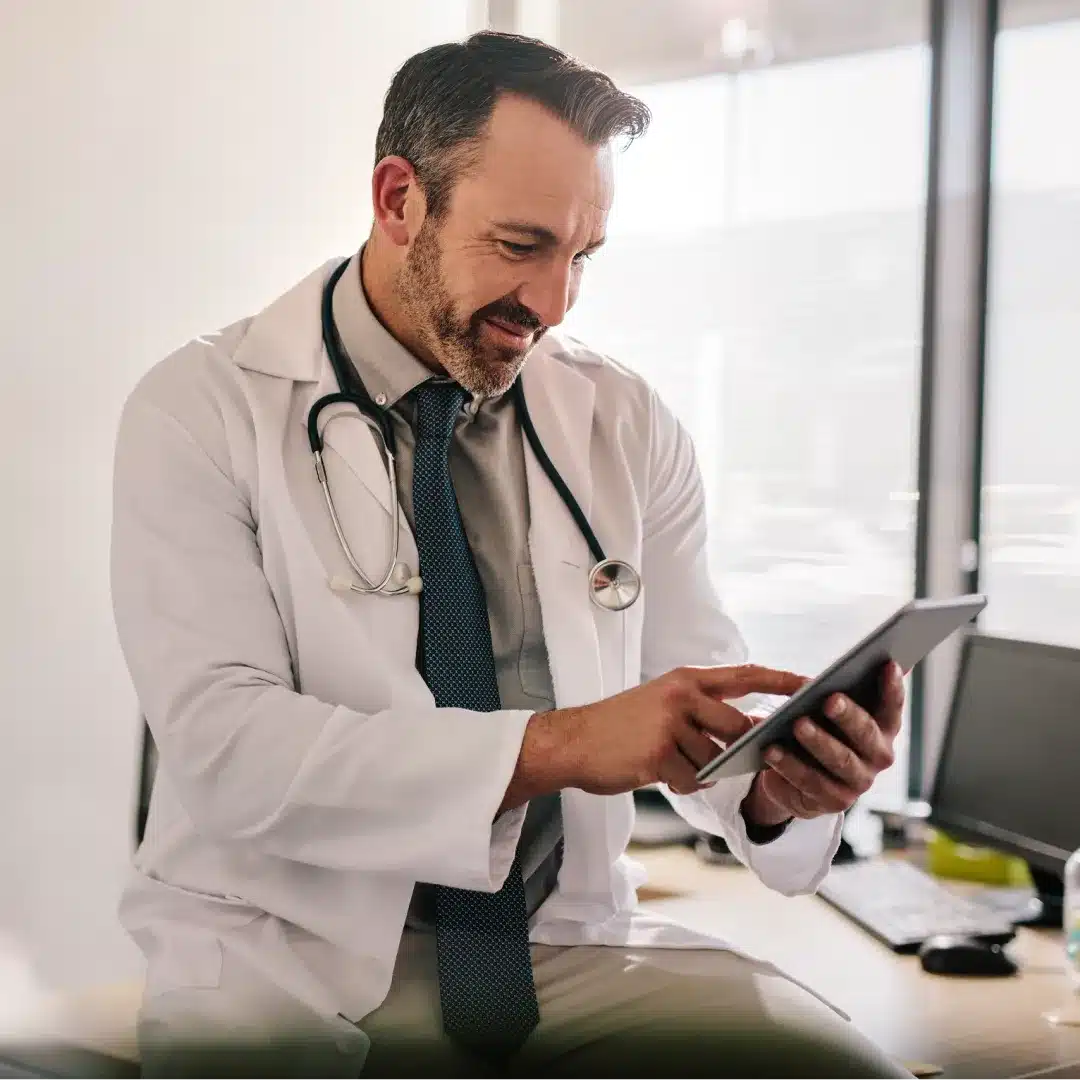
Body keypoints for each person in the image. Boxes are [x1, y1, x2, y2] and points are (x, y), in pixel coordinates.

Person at [111, 30, 909, 1079]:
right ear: (400, 200)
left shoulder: (621, 420)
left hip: (556, 951)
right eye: (521, 245)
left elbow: (696, 700)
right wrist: (564, 746)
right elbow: (228, 752)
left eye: (582, 256)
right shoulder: (202, 409)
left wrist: (774, 785)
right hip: (278, 957)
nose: (553, 303)